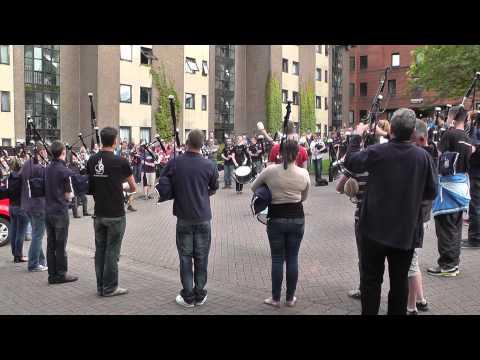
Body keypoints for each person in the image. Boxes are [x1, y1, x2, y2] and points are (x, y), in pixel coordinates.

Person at [344, 108, 437, 315]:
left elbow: (351, 161)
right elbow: (431, 192)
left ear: (391, 129)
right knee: (399, 283)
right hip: (405, 232)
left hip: (373, 230)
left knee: (371, 281)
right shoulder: (423, 157)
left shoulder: (378, 153)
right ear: (413, 131)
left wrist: (357, 136)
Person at [159, 129, 219, 307]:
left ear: (187, 143)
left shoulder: (176, 162)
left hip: (184, 217)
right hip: (203, 217)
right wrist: (202, 193)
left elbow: (163, 182)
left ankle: (188, 296)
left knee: (185, 257)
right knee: (202, 257)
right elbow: (214, 187)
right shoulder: (210, 165)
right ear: (202, 145)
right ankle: (200, 294)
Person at [251, 138, 310, 307]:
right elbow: (304, 197)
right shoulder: (303, 173)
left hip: (276, 218)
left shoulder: (270, 171)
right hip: (297, 218)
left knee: (277, 259)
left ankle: (275, 298)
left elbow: (254, 187)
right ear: (298, 154)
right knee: (292, 258)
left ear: (280, 153)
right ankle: (290, 298)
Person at [87, 127, 136, 297]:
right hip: (115, 214)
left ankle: (101, 286)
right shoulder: (121, 161)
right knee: (112, 252)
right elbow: (133, 187)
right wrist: (119, 186)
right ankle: (110, 288)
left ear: (101, 140)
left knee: (100, 250)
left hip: (98, 213)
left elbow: (91, 188)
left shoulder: (91, 160)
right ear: (114, 141)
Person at [427, 106, 473, 276]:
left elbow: (438, 154)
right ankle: (454, 263)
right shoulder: (467, 138)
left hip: (448, 187)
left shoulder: (449, 134)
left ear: (452, 117)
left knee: (445, 228)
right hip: (462, 186)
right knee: (455, 227)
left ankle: (447, 265)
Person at [407, 119, 436, 314]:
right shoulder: (429, 153)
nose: (408, 145)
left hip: (416, 217)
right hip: (421, 215)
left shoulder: (421, 158)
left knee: (411, 263)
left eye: (411, 140)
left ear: (421, 139)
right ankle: (421, 299)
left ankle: (411, 306)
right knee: (413, 260)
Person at [44, 141, 79, 284]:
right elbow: (68, 194)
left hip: (48, 210)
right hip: (59, 211)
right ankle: (61, 274)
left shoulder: (47, 167)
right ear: (63, 152)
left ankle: (52, 275)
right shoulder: (64, 170)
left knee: (50, 244)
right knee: (60, 245)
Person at [20, 143, 48, 272]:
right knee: (38, 235)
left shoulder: (26, 164)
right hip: (38, 206)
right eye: (45, 151)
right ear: (41, 152)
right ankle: (33, 264)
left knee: (37, 234)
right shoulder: (40, 167)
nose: (47, 153)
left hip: (27, 205)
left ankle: (41, 261)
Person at [463, 111, 480, 249]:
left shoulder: (476, 133)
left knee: (476, 206)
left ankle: (475, 238)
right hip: (476, 172)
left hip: (477, 173)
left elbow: (472, 148)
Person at [9, 158, 29, 263]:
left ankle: (15, 255)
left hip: (11, 206)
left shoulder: (10, 177)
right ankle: (19, 256)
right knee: (21, 232)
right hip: (21, 207)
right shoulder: (22, 177)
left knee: (14, 231)